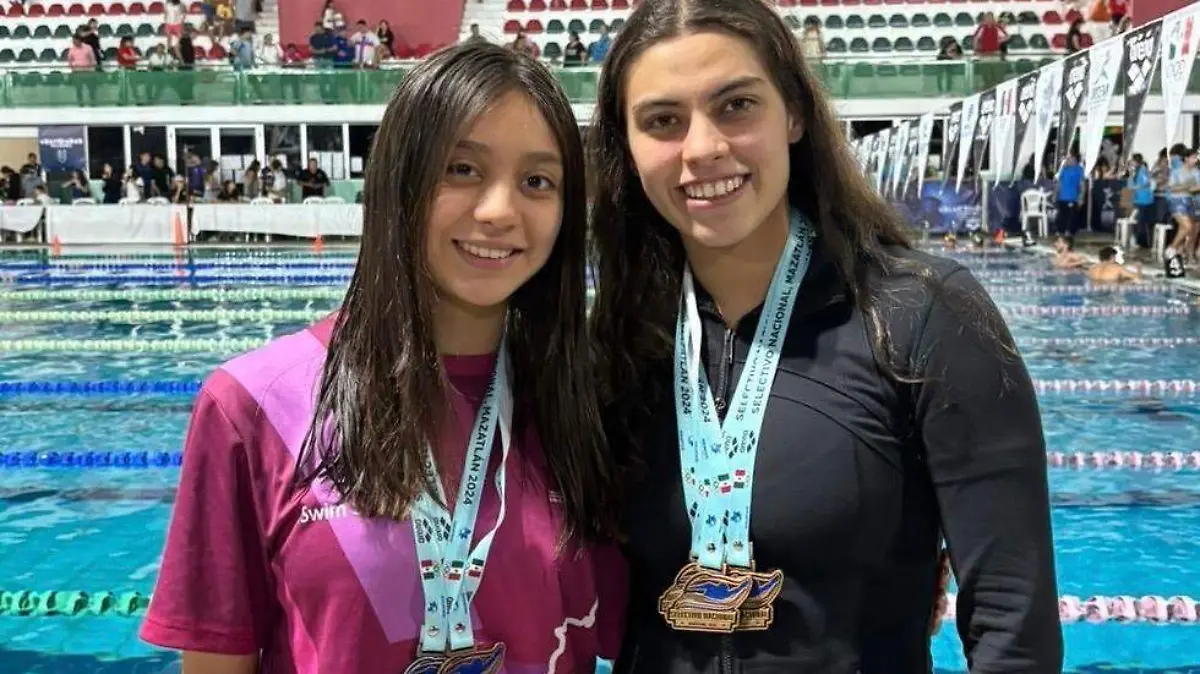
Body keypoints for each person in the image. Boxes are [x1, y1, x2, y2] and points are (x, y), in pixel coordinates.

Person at [585, 0, 1062, 671]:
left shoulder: (922, 314)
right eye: (663, 121)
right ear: (628, 149)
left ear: (794, 115)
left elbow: (1013, 621)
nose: (702, 148)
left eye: (736, 106)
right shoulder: (619, 340)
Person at [140, 42, 626, 673]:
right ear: (400, 180)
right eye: (462, 169)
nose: (500, 211)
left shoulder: (590, 402)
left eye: (538, 181)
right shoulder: (254, 407)